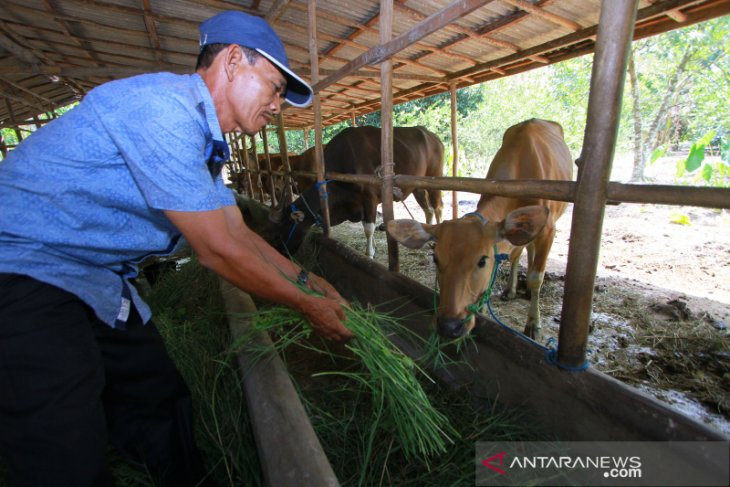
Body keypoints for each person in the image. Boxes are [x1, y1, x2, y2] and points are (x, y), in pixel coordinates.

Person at [0, 10, 352, 487]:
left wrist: (309, 281)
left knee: (154, 391)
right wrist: (308, 305)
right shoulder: (163, 109)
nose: (277, 106)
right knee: (60, 440)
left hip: (89, 276)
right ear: (232, 62)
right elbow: (218, 250)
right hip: (20, 269)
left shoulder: (201, 144)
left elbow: (237, 231)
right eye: (273, 87)